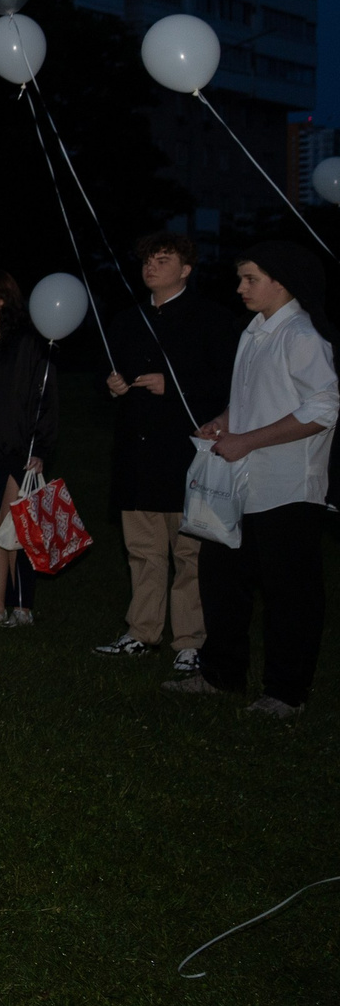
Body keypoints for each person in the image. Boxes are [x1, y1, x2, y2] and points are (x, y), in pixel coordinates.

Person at [171, 243, 335, 717]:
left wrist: (249, 440)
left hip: (288, 486)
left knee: (290, 594)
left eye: (250, 279)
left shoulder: (301, 334)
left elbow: (325, 408)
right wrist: (223, 422)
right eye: (241, 278)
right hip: (242, 485)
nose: (241, 288)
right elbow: (250, 396)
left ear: (280, 282)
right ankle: (221, 674)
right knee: (222, 579)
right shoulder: (255, 330)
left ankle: (286, 693)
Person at [93, 232, 239, 670]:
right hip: (137, 456)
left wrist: (172, 386)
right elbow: (108, 373)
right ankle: (142, 632)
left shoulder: (211, 319)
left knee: (189, 554)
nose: (151, 267)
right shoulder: (128, 320)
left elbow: (230, 385)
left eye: (162, 260)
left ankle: (191, 641)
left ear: (186, 269)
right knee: (142, 550)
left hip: (184, 456)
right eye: (147, 260)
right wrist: (113, 385)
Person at [0, 270, 56, 627]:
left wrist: (41, 445)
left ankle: (22, 606)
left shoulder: (29, 343)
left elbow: (45, 397)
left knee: (16, 526)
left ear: (1, 300)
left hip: (19, 448)